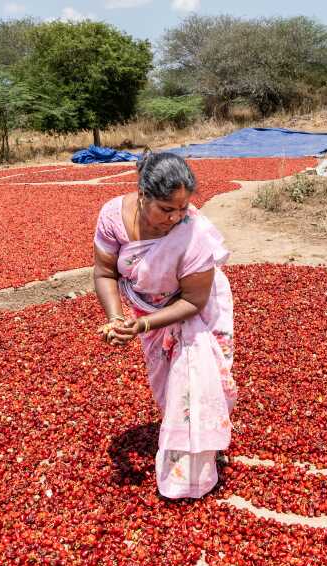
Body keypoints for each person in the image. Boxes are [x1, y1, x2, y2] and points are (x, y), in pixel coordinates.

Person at [92, 152, 236, 499]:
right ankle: (186, 433)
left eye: (183, 208)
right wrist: (115, 319)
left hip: (196, 311)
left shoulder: (193, 232)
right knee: (168, 383)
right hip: (149, 313)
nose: (175, 218)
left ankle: (202, 452)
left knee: (206, 377)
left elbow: (193, 301)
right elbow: (104, 272)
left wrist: (140, 327)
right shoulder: (112, 217)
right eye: (166, 209)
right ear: (143, 194)